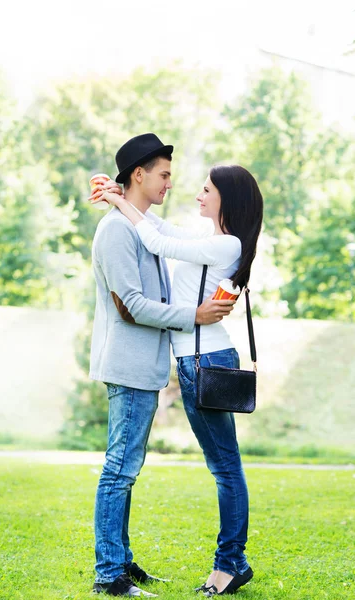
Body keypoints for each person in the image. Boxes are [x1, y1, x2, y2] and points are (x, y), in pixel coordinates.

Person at [90, 159, 263, 597]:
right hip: (194, 358)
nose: (197, 194)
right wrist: (118, 196)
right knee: (222, 465)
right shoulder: (212, 239)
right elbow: (159, 227)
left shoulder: (226, 246)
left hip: (205, 358)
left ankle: (231, 563)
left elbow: (153, 238)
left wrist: (118, 200)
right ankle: (226, 561)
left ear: (228, 198)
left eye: (207, 189)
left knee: (225, 467)